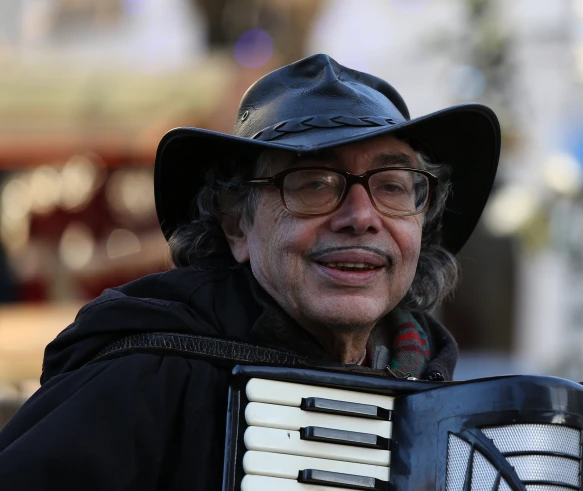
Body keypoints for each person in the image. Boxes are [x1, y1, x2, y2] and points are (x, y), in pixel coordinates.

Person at [0, 54, 500, 489]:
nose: (361, 216)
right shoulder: (144, 378)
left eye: (392, 186)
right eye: (312, 183)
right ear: (237, 224)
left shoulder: (438, 396)